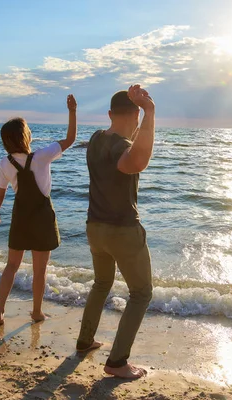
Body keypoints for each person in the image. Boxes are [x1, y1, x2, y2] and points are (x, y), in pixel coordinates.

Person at [76, 85, 155, 379]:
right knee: (141, 293)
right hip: (122, 230)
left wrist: (138, 114)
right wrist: (150, 111)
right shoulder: (122, 147)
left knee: (101, 283)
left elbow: (128, 143)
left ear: (109, 114)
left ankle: (85, 341)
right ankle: (117, 362)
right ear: (135, 115)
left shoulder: (97, 138)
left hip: (94, 228)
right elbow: (137, 160)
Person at [0, 94, 77, 325]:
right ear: (25, 136)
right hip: (42, 218)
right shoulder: (42, 156)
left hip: (21, 217)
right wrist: (72, 111)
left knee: (12, 265)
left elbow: (0, 191)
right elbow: (70, 139)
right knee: (40, 270)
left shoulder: (5, 163)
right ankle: (36, 312)